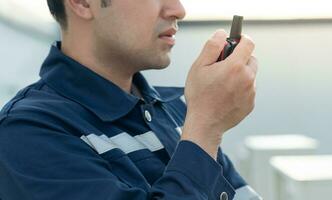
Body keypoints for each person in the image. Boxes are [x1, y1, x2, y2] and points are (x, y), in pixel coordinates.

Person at [0, 0, 261, 199]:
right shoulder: (27, 133)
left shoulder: (178, 108)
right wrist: (205, 127)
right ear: (81, 2)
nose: (178, 9)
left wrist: (202, 125)